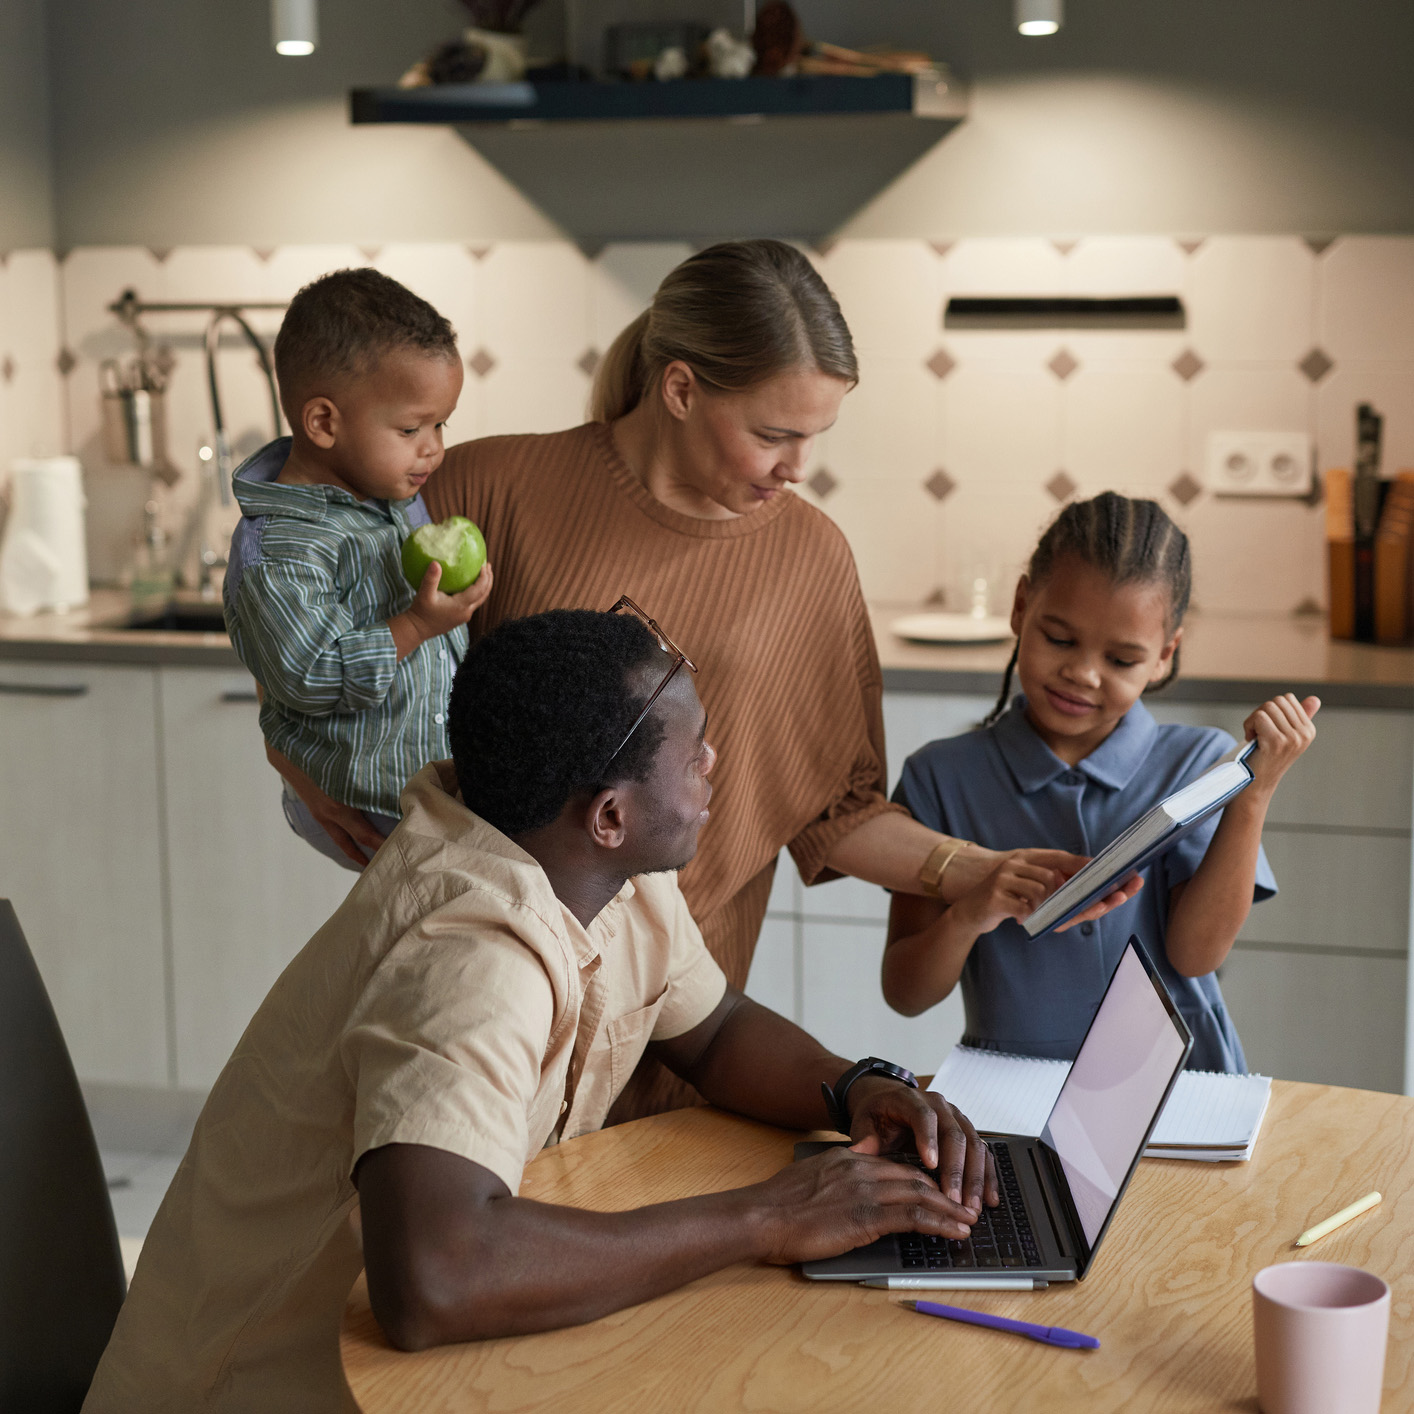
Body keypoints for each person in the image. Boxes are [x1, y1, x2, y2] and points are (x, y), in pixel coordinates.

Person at [269, 239, 1134, 1119]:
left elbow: (833, 814)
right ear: (679, 389)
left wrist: (986, 873)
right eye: (773, 434)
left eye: (812, 437)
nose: (797, 468)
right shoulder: (487, 486)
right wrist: (290, 756)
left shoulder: (810, 558)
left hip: (687, 1023)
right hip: (477, 991)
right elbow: (310, 633)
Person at [83, 607, 996, 1413]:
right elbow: (436, 1278)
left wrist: (857, 1086)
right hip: (254, 1388)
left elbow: (714, 1032)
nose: (715, 763)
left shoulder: (594, 869)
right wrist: (765, 1218)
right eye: (693, 751)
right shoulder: (471, 955)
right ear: (609, 815)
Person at [882, 492, 1319, 1072]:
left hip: (1182, 1086)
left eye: (1121, 660)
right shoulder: (939, 776)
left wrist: (1254, 792)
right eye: (1060, 639)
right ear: (1020, 606)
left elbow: (1195, 956)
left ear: (1164, 656)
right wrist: (972, 908)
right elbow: (906, 993)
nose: (1082, 674)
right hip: (1015, 1092)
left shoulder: (1200, 764)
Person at [223, 267, 494, 868]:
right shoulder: (282, 553)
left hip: (420, 788)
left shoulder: (386, 489)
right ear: (324, 423)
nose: (435, 449)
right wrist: (418, 626)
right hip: (369, 803)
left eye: (440, 424)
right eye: (411, 428)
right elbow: (310, 673)